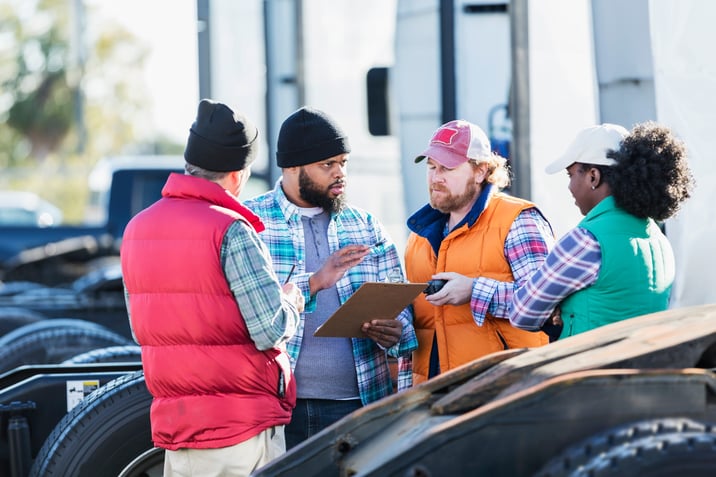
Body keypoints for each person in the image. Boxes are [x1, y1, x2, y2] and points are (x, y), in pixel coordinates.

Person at [120, 99, 304, 476]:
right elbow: (269, 328)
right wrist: (292, 302)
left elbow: (143, 328)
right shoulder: (231, 229)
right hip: (240, 430)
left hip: (178, 430)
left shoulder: (137, 228)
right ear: (237, 173)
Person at [244, 106, 418, 449]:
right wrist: (314, 281)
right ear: (292, 166)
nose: (340, 173)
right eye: (328, 165)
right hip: (277, 410)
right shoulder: (250, 224)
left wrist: (395, 332)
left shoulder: (365, 225)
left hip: (359, 408)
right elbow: (242, 319)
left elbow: (403, 316)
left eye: (344, 162)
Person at [509, 121, 694, 338]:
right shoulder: (660, 240)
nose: (569, 187)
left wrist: (559, 310)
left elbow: (521, 312)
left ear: (593, 176)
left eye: (571, 175)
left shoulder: (585, 241)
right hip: (646, 368)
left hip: (589, 369)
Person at [404, 119, 554, 385]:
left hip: (503, 395)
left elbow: (546, 303)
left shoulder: (518, 220)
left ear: (481, 171)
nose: (435, 178)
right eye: (431, 167)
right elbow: (420, 324)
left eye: (447, 168)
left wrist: (475, 291)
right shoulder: (417, 237)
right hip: (431, 402)